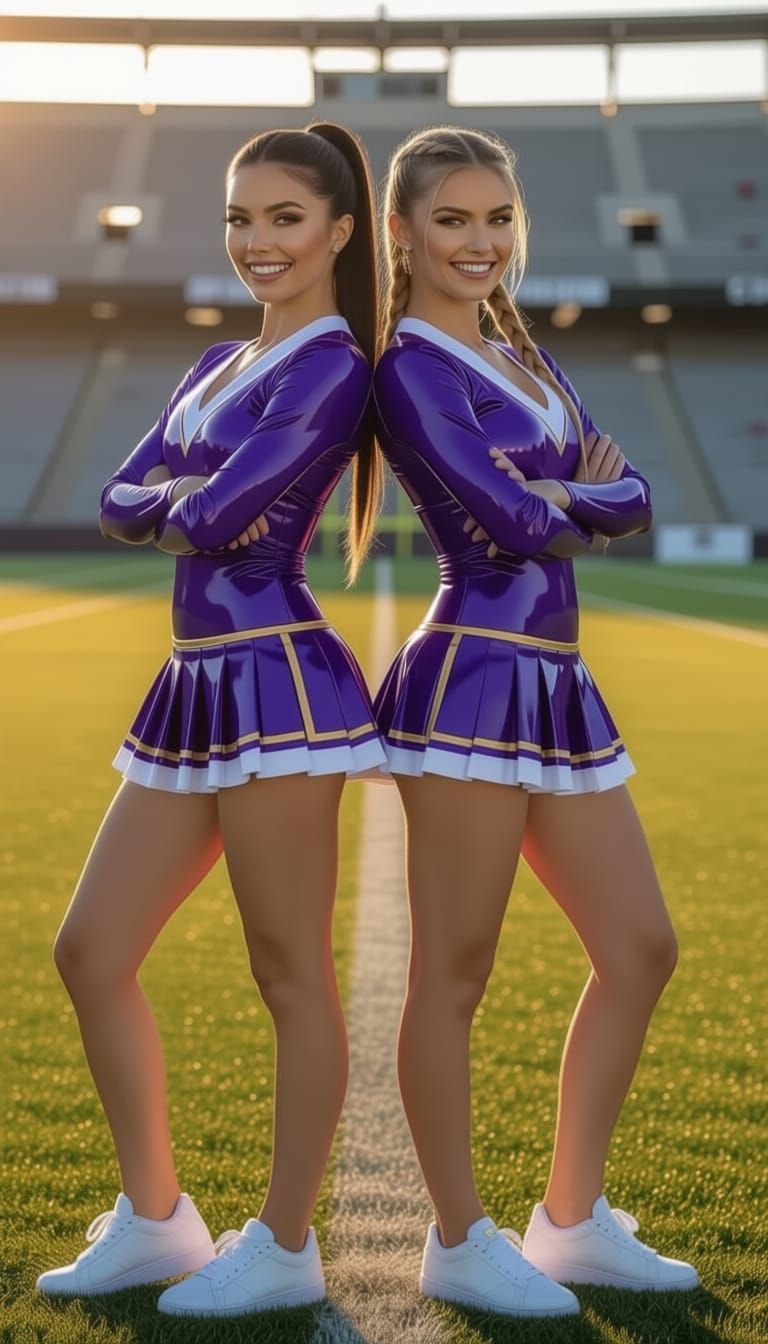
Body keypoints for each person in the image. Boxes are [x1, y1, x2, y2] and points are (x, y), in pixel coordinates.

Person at [36, 122, 386, 1318]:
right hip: (193, 686)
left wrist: (175, 497)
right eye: (241, 218)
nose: (257, 240)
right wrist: (175, 500)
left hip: (280, 685)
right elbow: (117, 500)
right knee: (91, 951)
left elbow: (213, 517)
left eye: (285, 217)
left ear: (340, 231)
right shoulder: (215, 364)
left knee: (288, 973)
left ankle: (284, 1245)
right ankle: (155, 1220)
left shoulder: (334, 367)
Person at [372, 126, 699, 1318]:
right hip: (469, 680)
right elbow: (514, 526)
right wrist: (576, 493)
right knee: (455, 975)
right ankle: (459, 1239)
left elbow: (633, 493)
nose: (482, 241)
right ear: (402, 231)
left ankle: (570, 1221)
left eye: (499, 218)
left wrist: (571, 495)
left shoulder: (521, 353)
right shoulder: (411, 368)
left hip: (556, 686)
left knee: (641, 947)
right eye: (454, 218)